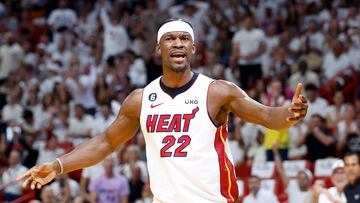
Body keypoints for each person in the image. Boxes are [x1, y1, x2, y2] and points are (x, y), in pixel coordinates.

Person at [18, 19, 308, 203]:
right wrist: (57, 166)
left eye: (184, 39)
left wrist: (291, 113)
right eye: (171, 38)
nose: (178, 43)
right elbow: (105, 143)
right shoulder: (139, 99)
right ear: (159, 48)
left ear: (193, 48)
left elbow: (269, 117)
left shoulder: (217, 91)